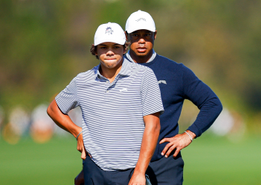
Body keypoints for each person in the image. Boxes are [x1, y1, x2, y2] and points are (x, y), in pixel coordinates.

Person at [75, 10, 223, 185]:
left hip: (164, 162)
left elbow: (212, 103)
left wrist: (189, 135)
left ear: (155, 35)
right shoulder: (109, 70)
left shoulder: (176, 72)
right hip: (120, 165)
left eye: (147, 35)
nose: (142, 40)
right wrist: (89, 164)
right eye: (136, 35)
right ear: (126, 37)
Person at [47, 22, 163, 185]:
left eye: (116, 46)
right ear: (95, 50)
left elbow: (153, 126)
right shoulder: (82, 81)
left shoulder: (144, 76)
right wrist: (77, 132)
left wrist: (139, 172)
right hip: (94, 170)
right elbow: (54, 109)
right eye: (104, 47)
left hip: (132, 170)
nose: (110, 52)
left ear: (125, 48)